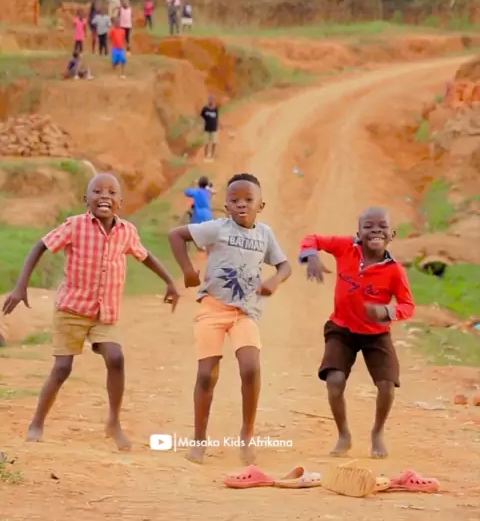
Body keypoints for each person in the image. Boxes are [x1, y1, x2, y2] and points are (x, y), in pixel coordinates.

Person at [2, 173, 179, 450]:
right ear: (86, 199)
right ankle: (37, 422)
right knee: (62, 368)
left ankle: (113, 422)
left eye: (111, 192)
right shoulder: (75, 226)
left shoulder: (127, 232)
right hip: (71, 310)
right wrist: (21, 286)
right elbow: (40, 246)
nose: (104, 196)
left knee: (116, 357)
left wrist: (170, 282)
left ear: (120, 202)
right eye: (97, 191)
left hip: (104, 313)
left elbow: (146, 257)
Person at [168, 173, 291, 464]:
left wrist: (274, 282)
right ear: (226, 206)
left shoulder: (265, 235)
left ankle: (246, 435)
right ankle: (199, 440)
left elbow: (285, 266)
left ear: (261, 205)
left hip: (244, 313)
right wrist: (187, 270)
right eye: (235, 200)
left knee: (250, 367)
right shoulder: (218, 228)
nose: (242, 205)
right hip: (212, 308)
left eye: (249, 200)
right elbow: (176, 235)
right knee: (206, 375)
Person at [298, 207, 415, 460]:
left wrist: (388, 311)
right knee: (334, 381)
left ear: (392, 234)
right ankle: (344, 435)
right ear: (358, 233)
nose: (375, 231)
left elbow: (408, 306)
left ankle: (377, 432)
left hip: (376, 334)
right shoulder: (345, 247)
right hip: (341, 329)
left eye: (382, 226)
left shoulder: (394, 270)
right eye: (368, 226)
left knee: (387, 385)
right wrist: (311, 256)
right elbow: (312, 239)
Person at [200, 95, 219, 162]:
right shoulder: (205, 109)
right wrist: (201, 125)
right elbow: (201, 117)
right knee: (206, 143)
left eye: (212, 100)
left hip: (214, 128)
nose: (211, 101)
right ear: (208, 100)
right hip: (207, 128)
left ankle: (212, 155)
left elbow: (217, 118)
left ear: (214, 101)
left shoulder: (216, 109)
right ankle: (205, 155)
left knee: (214, 142)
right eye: (210, 99)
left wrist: (218, 125)